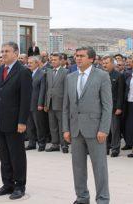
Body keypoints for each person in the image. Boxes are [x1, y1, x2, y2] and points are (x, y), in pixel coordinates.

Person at [62, 46, 112, 204]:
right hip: (75, 130)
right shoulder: (70, 77)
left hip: (95, 130)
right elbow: (66, 106)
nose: (78, 58)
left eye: (82, 56)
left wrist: (104, 129)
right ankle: (82, 197)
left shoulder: (102, 76)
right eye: (76, 56)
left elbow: (107, 105)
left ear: (91, 59)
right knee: (78, 168)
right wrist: (66, 129)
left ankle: (103, 199)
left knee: (99, 167)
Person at [0, 42, 32, 200]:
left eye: (7, 51)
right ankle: (7, 184)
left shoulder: (23, 72)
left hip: (14, 122)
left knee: (17, 155)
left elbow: (25, 99)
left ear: (16, 53)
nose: (3, 53)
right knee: (4, 155)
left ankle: (19, 186)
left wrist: (22, 121)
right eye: (2, 51)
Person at [44, 53, 69, 153]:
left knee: (62, 125)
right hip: (50, 103)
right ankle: (55, 144)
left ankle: (64, 145)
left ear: (60, 60)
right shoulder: (49, 72)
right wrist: (46, 103)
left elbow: (67, 89)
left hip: (61, 103)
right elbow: (47, 89)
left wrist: (66, 104)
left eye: (55, 60)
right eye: (52, 60)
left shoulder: (66, 72)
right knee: (52, 125)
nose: (53, 61)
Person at [102, 56, 125, 157]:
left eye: (106, 63)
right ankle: (105, 148)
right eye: (103, 63)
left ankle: (115, 148)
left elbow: (121, 93)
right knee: (104, 129)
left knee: (114, 129)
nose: (104, 65)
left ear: (112, 63)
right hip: (102, 107)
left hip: (114, 107)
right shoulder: (101, 75)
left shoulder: (118, 75)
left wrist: (119, 107)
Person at [25, 56, 48, 151]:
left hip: (36, 104)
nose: (29, 64)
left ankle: (42, 143)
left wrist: (40, 104)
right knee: (29, 125)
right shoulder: (26, 73)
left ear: (37, 63)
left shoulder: (42, 74)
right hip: (27, 104)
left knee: (39, 125)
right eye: (28, 62)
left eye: (31, 62)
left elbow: (43, 90)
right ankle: (32, 143)